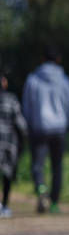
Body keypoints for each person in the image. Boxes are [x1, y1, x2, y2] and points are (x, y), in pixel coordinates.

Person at [21, 46, 69, 214]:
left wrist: (26, 127)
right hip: (59, 128)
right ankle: (54, 202)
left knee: (38, 164)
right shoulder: (64, 80)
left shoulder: (33, 80)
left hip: (39, 128)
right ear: (58, 60)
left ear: (42, 59)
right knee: (57, 165)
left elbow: (27, 106)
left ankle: (41, 189)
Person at [0, 72, 28, 218]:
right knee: (7, 175)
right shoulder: (11, 100)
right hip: (8, 143)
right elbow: (20, 123)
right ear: (4, 83)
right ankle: (4, 206)